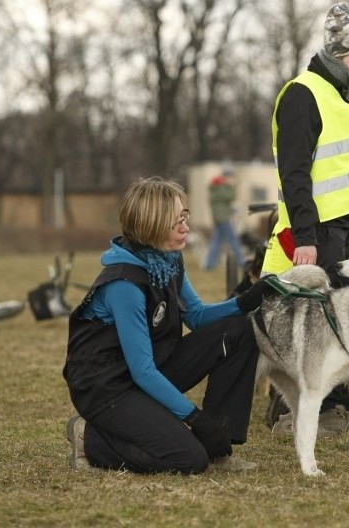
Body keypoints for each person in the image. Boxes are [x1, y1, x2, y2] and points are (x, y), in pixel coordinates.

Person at [62, 176, 262, 474]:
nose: (185, 227)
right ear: (150, 226)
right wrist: (194, 417)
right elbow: (141, 370)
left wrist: (245, 301)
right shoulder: (124, 284)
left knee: (239, 329)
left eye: (185, 216)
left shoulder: (168, 258)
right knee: (188, 460)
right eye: (175, 222)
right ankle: (89, 438)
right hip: (109, 388)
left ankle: (219, 448)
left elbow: (196, 316)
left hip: (148, 367)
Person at [261, 2, 349, 434]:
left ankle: (330, 406)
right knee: (319, 323)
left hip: (345, 229)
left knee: (339, 320)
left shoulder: (344, 98)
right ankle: (295, 411)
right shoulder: (302, 95)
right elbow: (294, 174)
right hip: (316, 232)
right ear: (336, 54)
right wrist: (306, 236)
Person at [204, 168, 246, 271]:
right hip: (224, 218)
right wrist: (231, 185)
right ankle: (241, 262)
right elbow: (231, 196)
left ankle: (210, 264)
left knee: (216, 241)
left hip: (218, 218)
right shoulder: (221, 188)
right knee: (233, 241)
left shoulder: (215, 188)